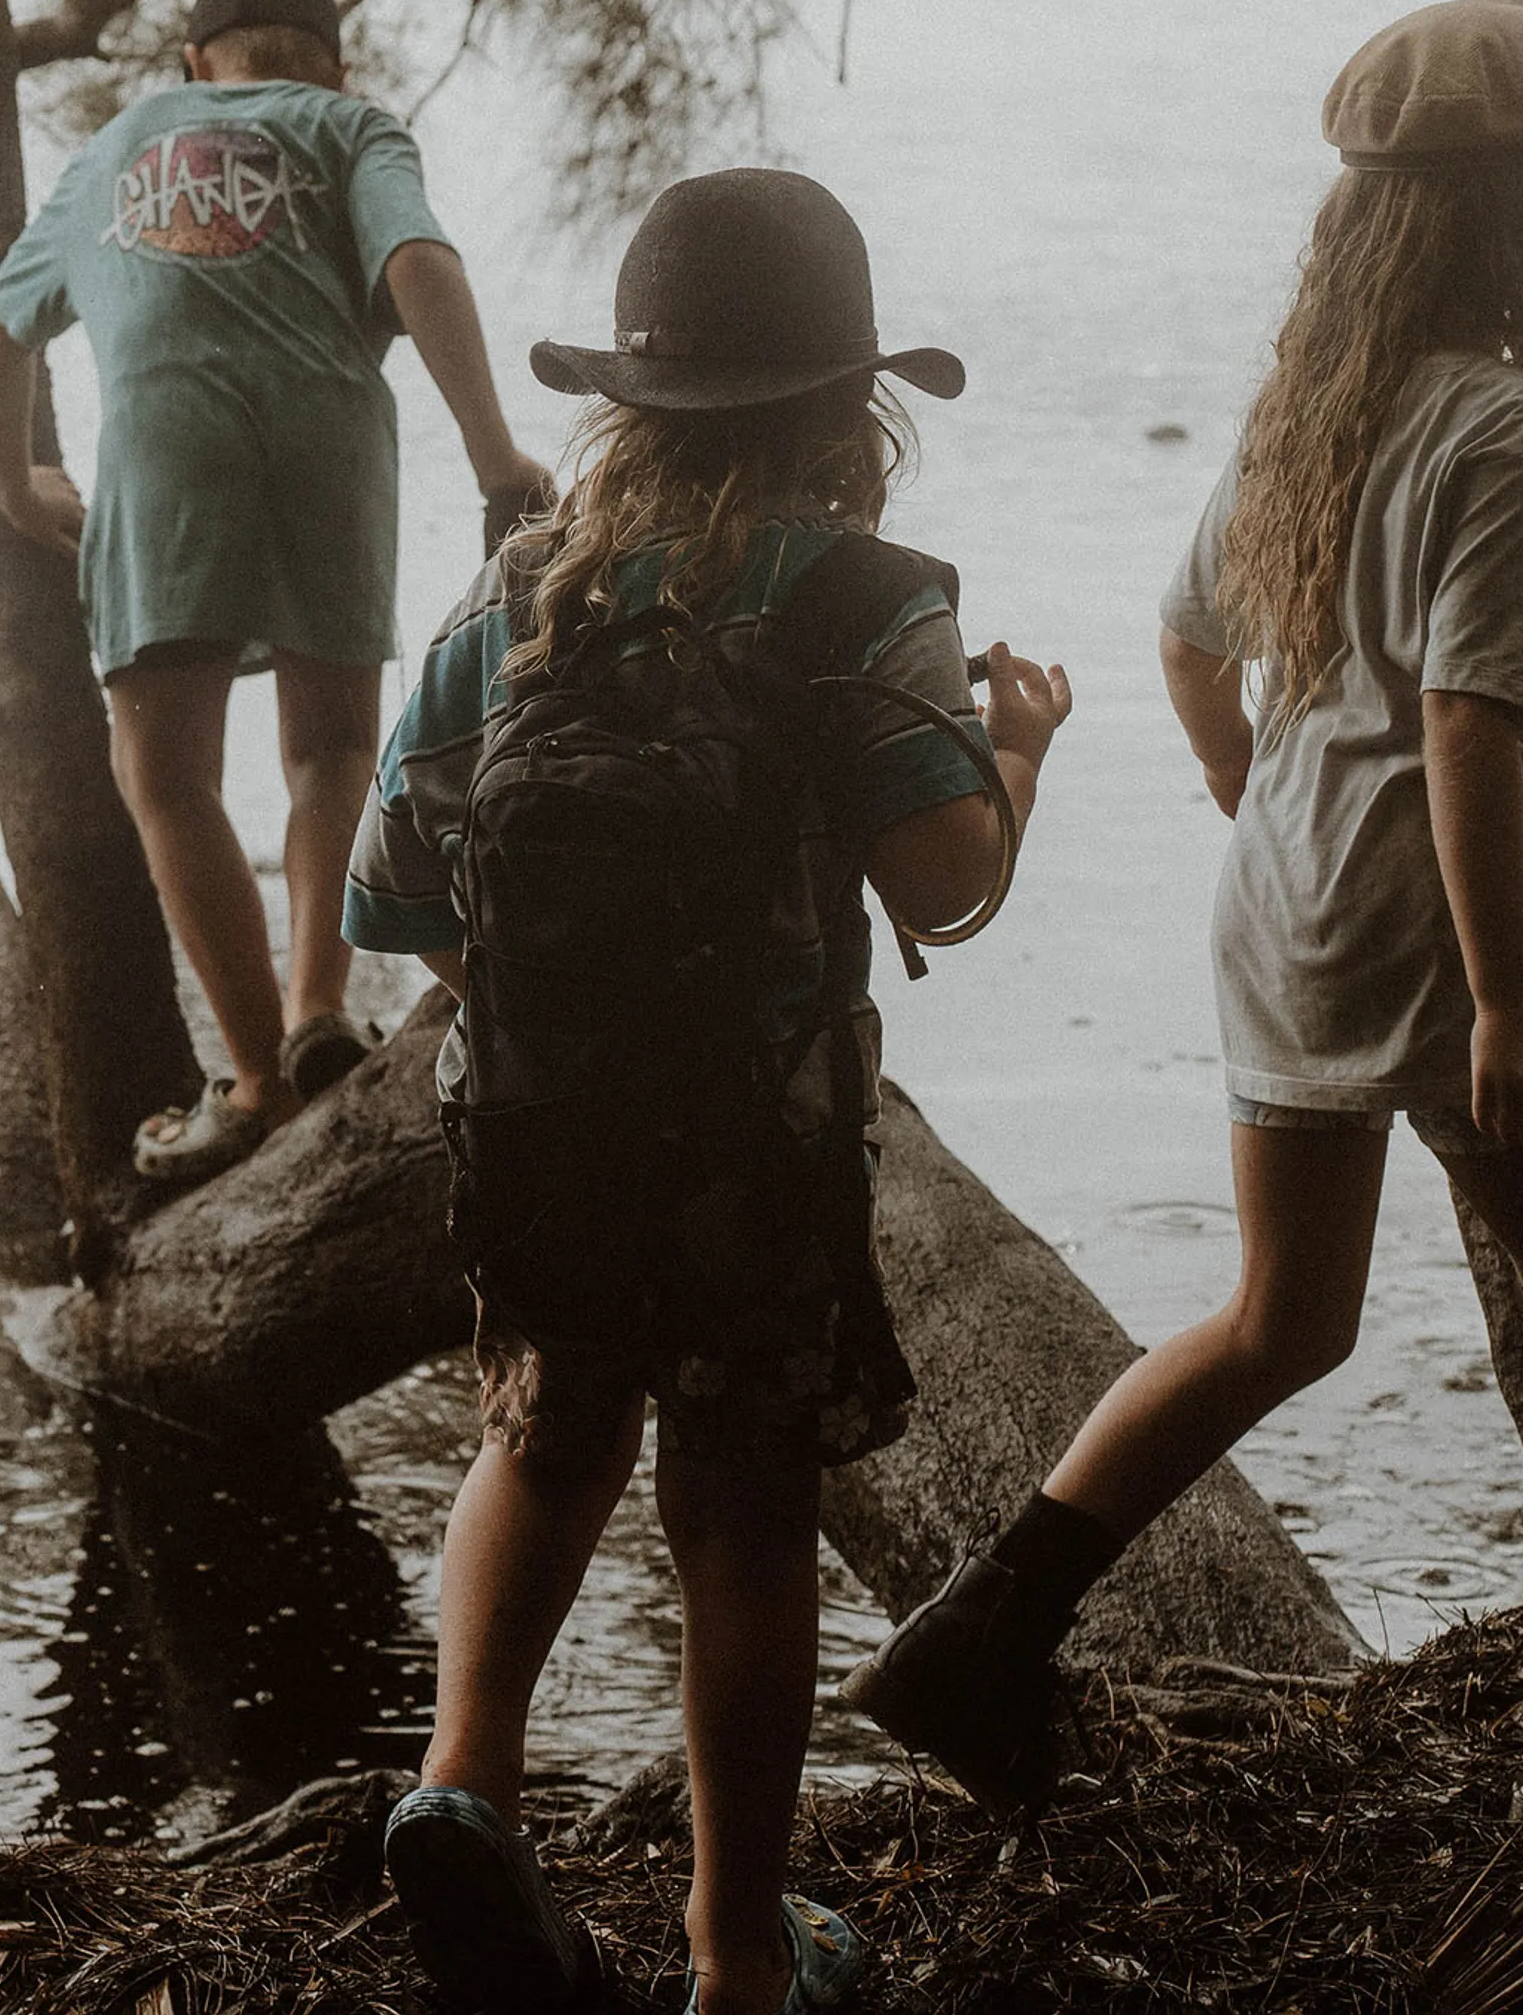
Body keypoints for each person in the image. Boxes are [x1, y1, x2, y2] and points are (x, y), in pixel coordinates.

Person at [843, 0, 1523, 1835]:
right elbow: (1467, 733)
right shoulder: (1513, 432)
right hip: (1429, 929)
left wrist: (1250, 793)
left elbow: (1188, 642)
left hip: (1281, 911)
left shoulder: (1313, 412)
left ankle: (981, 1633)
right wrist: (1511, 1000)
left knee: (1283, 1316)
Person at [351, 168, 1071, 2015]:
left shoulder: (517, 589)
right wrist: (1019, 754)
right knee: (742, 1511)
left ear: (628, 400)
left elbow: (391, 892)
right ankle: (737, 1958)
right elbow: (946, 888)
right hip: (760, 1146)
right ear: (853, 410)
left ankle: (460, 1790)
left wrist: (552, 1025)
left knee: (541, 1433)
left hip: (534, 1132)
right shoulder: (871, 599)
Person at [0, 0, 551, 1185]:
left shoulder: (120, 141)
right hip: (330, 444)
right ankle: (315, 1010)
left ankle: (253, 1082)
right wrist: (494, 455)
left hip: (166, 447)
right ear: (331, 64)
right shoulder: (353, 124)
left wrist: (13, 484)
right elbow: (420, 263)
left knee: (168, 773)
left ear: (195, 62)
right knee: (332, 747)